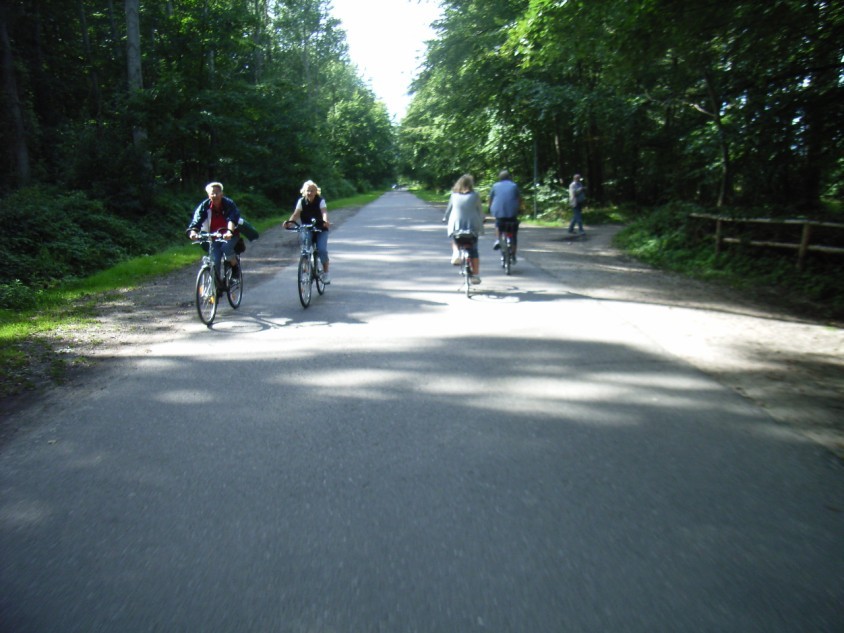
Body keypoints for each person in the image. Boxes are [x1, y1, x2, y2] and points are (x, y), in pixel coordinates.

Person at [186, 181, 241, 283]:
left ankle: (235, 269)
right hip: (213, 237)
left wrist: (229, 232)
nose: (215, 195)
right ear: (208, 195)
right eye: (212, 193)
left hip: (230, 235)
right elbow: (197, 220)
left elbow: (232, 219)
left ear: (222, 194)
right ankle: (216, 287)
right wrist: (193, 232)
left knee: (226, 248)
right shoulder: (204, 206)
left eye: (217, 193)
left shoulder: (229, 204)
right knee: (215, 260)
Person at [284, 180, 331, 283]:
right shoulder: (301, 201)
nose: (310, 193)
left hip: (320, 228)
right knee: (305, 248)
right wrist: (290, 222)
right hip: (307, 228)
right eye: (308, 191)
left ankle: (326, 272)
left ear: (316, 192)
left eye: (312, 191)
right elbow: (296, 214)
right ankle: (306, 268)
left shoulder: (320, 201)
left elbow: (324, 212)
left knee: (322, 250)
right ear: (304, 191)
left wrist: (325, 221)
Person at [443, 173, 484, 284]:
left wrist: (444, 218)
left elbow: (448, 210)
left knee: (455, 239)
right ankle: (475, 274)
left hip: (456, 226)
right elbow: (480, 211)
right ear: (471, 184)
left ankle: (456, 253)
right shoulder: (475, 195)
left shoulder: (453, 195)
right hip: (472, 227)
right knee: (474, 250)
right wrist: (482, 219)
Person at [488, 170, 522, 260]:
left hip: (499, 213)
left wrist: (490, 208)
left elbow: (490, 199)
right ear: (509, 177)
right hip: (512, 213)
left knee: (498, 225)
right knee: (513, 234)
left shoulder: (495, 186)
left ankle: (498, 239)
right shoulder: (514, 186)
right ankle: (513, 255)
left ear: (500, 178)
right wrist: (520, 209)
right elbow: (519, 199)